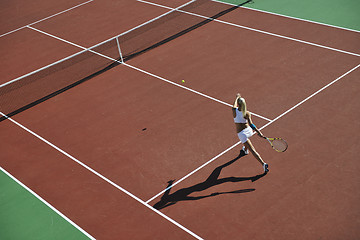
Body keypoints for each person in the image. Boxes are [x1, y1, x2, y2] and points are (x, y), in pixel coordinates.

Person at [232, 93, 269, 172]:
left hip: (242, 134)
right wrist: (259, 132)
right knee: (247, 144)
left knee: (252, 150)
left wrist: (237, 97)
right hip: (249, 130)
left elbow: (234, 105)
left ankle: (263, 164)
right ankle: (245, 150)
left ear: (238, 104)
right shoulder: (247, 113)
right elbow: (251, 124)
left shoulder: (234, 111)